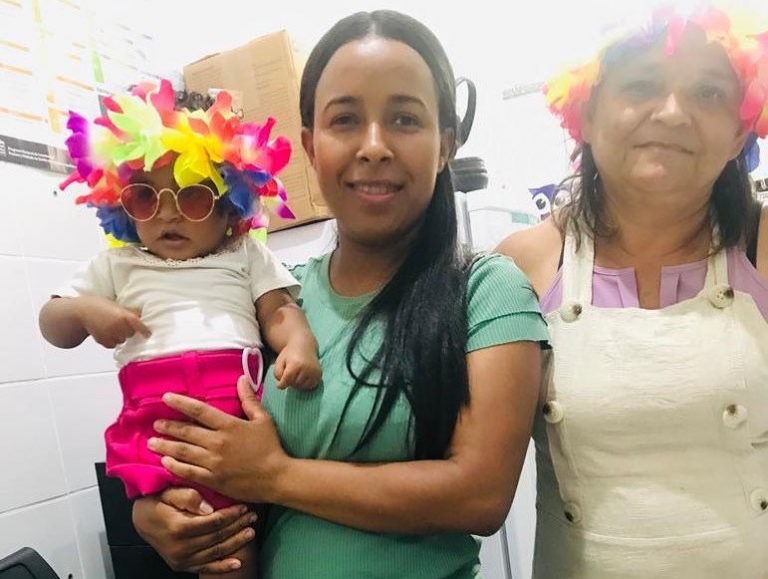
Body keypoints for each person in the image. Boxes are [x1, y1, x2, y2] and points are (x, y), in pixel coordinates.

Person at [131, 10, 550, 578]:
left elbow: (479, 495)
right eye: (345, 120)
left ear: (445, 145)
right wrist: (154, 514)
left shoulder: (486, 291)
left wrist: (275, 475)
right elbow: (194, 439)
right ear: (310, 146)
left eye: (405, 118)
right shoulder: (276, 301)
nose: (373, 146)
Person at [496, 5, 768, 577]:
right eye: (642, 85)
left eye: (708, 93)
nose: (672, 112)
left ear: (739, 130)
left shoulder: (761, 247)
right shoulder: (523, 264)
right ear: (586, 114)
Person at [38, 81, 322, 579]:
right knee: (205, 532)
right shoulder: (118, 265)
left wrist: (299, 345)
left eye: (192, 196)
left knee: (231, 539)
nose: (167, 212)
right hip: (154, 425)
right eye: (144, 196)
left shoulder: (244, 254)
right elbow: (51, 322)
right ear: (121, 204)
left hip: (232, 416)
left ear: (230, 204)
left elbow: (278, 309)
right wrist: (85, 310)